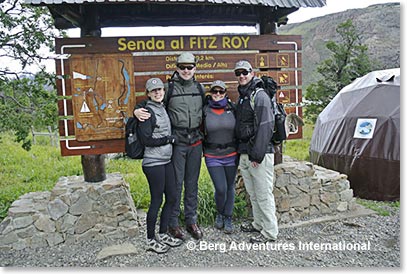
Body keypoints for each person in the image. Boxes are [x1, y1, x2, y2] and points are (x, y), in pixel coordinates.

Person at [134, 52, 204, 240]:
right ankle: (173, 224)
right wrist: (137, 109)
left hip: (196, 141)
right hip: (177, 142)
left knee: (192, 183)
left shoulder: (200, 88)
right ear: (177, 68)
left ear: (195, 68)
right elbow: (152, 101)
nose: (186, 70)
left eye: (190, 67)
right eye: (182, 67)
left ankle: (191, 221)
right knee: (177, 184)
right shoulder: (168, 88)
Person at [233, 60, 279, 243]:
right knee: (253, 193)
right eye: (238, 73)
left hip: (258, 154)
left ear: (252, 73)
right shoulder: (245, 95)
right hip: (245, 152)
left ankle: (270, 232)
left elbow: (265, 126)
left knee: (263, 193)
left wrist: (257, 155)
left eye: (245, 72)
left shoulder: (259, 96)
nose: (242, 75)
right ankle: (258, 224)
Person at [137, 78, 183, 253]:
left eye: (160, 89)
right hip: (153, 163)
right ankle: (150, 238)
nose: (157, 92)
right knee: (157, 200)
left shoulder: (162, 107)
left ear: (164, 91)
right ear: (148, 93)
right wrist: (167, 139)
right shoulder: (147, 112)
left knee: (172, 197)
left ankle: (163, 233)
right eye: (153, 90)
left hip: (166, 161)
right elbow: (145, 139)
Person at [203, 80, 238, 234]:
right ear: (210, 93)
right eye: (214, 92)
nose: (217, 95)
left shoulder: (233, 108)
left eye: (221, 92)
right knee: (221, 188)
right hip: (212, 155)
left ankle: (227, 216)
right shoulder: (204, 110)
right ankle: (219, 212)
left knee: (230, 187)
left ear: (225, 93)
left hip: (231, 154)